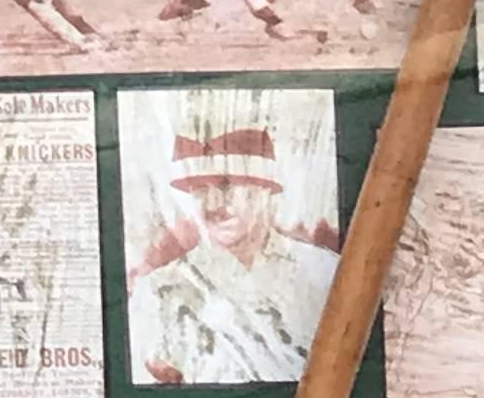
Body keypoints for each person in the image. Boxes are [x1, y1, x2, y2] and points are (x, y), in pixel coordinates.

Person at [128, 118, 339, 383]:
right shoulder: (159, 291)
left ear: (264, 191)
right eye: (200, 190)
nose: (213, 204)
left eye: (227, 187)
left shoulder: (326, 273)